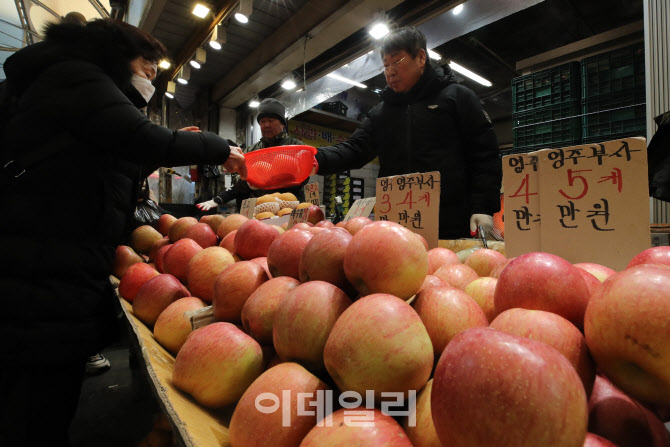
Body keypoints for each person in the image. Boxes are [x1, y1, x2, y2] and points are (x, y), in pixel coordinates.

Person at [0, 18, 246, 446]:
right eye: (147, 68)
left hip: (45, 250)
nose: (150, 79)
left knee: (35, 383)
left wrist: (159, 148)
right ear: (116, 55)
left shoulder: (58, 81)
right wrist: (220, 147)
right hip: (45, 260)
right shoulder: (78, 77)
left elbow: (104, 160)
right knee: (40, 390)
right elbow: (147, 140)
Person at [314, 27, 502, 239]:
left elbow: (484, 155)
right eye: (386, 65)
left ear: (420, 57)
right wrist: (314, 159)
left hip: (451, 225)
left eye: (397, 62)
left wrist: (483, 207)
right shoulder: (381, 113)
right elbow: (355, 149)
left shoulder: (457, 98)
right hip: (396, 227)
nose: (390, 71)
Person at [197, 98, 306, 211]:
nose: (266, 125)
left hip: (291, 208)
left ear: (283, 124)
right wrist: (249, 182)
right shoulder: (251, 151)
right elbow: (236, 177)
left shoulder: (296, 147)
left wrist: (279, 176)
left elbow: (304, 177)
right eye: (262, 122)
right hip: (261, 209)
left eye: (271, 120)